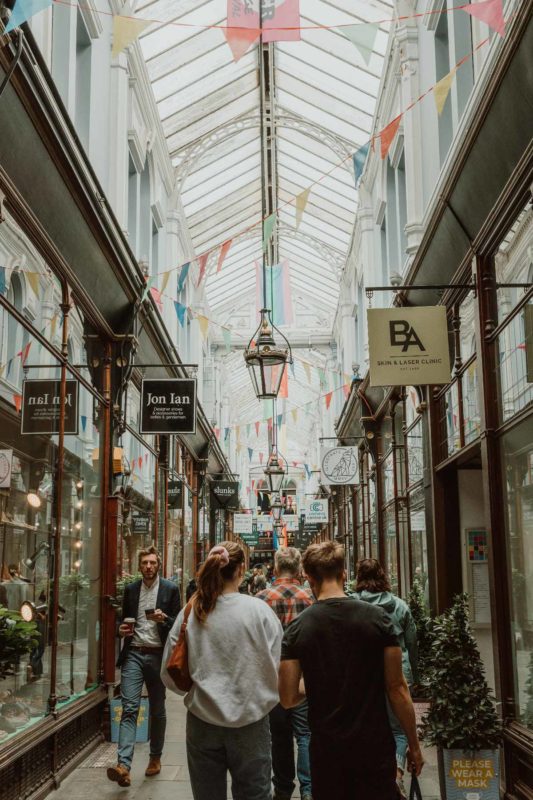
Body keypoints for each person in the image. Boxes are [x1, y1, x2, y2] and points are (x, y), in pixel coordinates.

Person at [278, 541, 424, 800]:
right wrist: (413, 745)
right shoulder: (380, 620)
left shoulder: (298, 629)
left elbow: (288, 697)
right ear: (344, 573)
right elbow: (397, 688)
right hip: (374, 748)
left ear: (309, 578)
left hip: (326, 753)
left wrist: (316, 680)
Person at [162, 542, 283, 800]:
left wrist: (199, 690)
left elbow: (168, 672)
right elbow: (275, 667)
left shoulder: (192, 612)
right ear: (241, 570)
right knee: (255, 795)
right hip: (251, 723)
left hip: (202, 723)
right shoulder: (259, 611)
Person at [107, 546, 181, 788]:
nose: (148, 567)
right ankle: (124, 766)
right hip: (134, 654)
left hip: (158, 655)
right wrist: (120, 629)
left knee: (158, 709)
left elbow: (178, 624)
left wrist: (165, 619)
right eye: (144, 563)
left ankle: (155, 757)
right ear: (139, 566)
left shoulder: (170, 589)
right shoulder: (131, 590)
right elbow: (124, 620)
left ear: (158, 565)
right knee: (130, 707)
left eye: (152, 563)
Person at [355, 558, 420, 798]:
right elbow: (412, 644)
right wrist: (416, 674)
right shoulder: (400, 606)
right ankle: (397, 774)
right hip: (398, 672)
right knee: (399, 728)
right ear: (382, 576)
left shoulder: (353, 605)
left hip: (364, 674)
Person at [256, 547, 314, 800]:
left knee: (278, 737)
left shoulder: (261, 599)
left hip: (273, 680)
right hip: (304, 679)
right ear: (300, 568)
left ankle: (282, 788)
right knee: (305, 734)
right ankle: (309, 789)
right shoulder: (311, 597)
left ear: (276, 568)